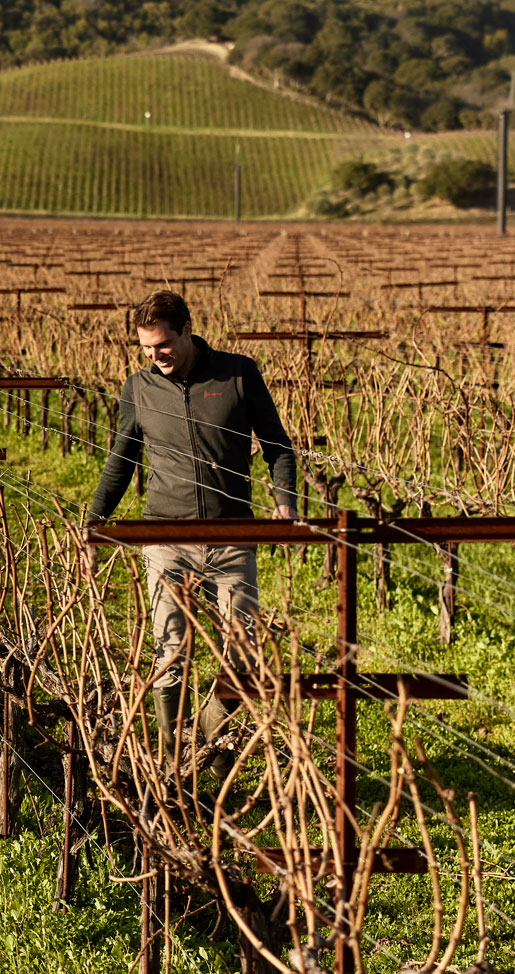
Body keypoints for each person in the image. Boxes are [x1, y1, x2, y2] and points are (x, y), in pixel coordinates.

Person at [86, 290, 297, 778]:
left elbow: (277, 445)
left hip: (231, 533)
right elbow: (121, 458)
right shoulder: (138, 388)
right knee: (171, 651)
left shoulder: (237, 374)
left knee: (243, 652)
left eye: (162, 345)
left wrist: (285, 498)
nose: (154, 357)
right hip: (166, 535)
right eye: (145, 349)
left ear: (186, 330)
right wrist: (96, 517)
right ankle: (173, 762)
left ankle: (212, 741)